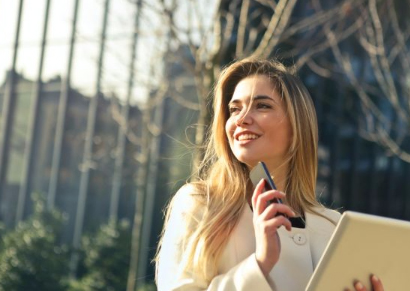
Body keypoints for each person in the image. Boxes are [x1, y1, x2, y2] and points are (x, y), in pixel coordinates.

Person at [155, 58, 384, 291]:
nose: (242, 119)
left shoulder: (333, 227)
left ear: (297, 125)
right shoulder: (200, 204)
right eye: (234, 109)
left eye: (262, 105)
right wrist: (260, 263)